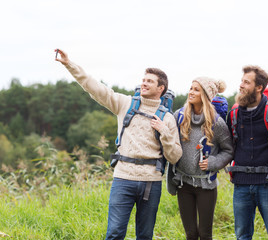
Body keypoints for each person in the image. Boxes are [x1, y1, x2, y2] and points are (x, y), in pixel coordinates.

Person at [54, 49, 182, 240]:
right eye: (143, 80)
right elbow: (95, 87)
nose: (144, 83)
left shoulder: (168, 119)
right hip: (123, 179)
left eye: (149, 81)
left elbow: (175, 156)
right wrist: (69, 64)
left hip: (151, 182)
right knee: (114, 234)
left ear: (161, 88)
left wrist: (164, 132)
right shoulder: (125, 104)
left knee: (145, 235)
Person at [171, 77, 233, 240]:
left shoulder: (216, 123)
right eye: (191, 88)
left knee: (205, 234)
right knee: (190, 234)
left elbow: (228, 150)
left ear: (206, 95)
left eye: (196, 89)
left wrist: (213, 162)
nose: (191, 92)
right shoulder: (179, 117)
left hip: (206, 185)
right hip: (183, 184)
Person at [227, 66, 268, 240]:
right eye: (241, 81)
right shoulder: (234, 113)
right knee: (242, 235)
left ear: (259, 87)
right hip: (241, 184)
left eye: (246, 82)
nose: (241, 85)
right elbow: (229, 146)